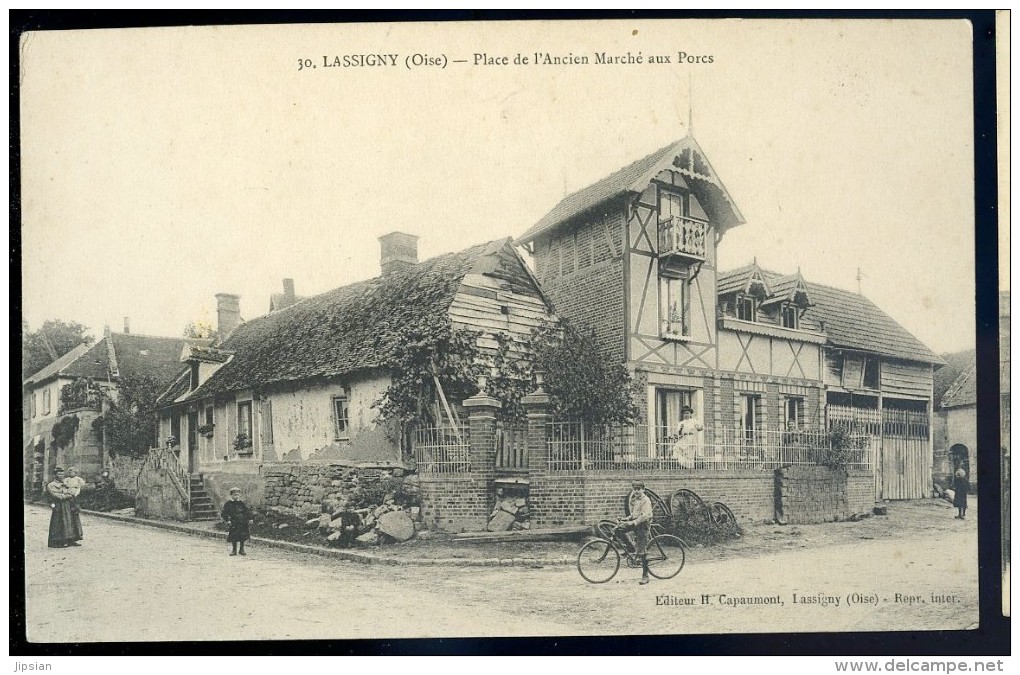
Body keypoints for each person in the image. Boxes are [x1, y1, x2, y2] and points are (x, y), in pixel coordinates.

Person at [618, 481, 654, 585]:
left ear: (643, 489)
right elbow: (634, 514)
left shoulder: (646, 500)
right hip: (636, 523)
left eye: (639, 489)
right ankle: (630, 548)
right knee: (619, 530)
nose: (636, 491)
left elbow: (645, 515)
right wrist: (626, 519)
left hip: (643, 525)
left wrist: (633, 522)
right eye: (635, 489)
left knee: (642, 551)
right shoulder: (637, 499)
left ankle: (645, 576)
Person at [46, 467, 83, 548]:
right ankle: (57, 542)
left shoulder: (66, 483)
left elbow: (73, 491)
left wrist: (71, 494)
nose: (61, 476)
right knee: (59, 522)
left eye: (62, 474)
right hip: (59, 506)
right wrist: (68, 495)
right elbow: (56, 495)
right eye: (59, 474)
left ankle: (71, 540)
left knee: (71, 521)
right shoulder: (51, 485)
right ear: (55, 475)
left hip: (69, 504)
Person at [221, 487, 254, 556]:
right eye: (235, 495)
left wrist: (250, 518)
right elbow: (224, 513)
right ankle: (234, 550)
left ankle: (241, 550)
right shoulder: (228, 504)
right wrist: (228, 520)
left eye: (238, 495)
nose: (236, 496)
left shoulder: (241, 503)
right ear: (231, 495)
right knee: (234, 536)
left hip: (242, 522)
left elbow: (246, 511)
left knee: (242, 536)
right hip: (234, 522)